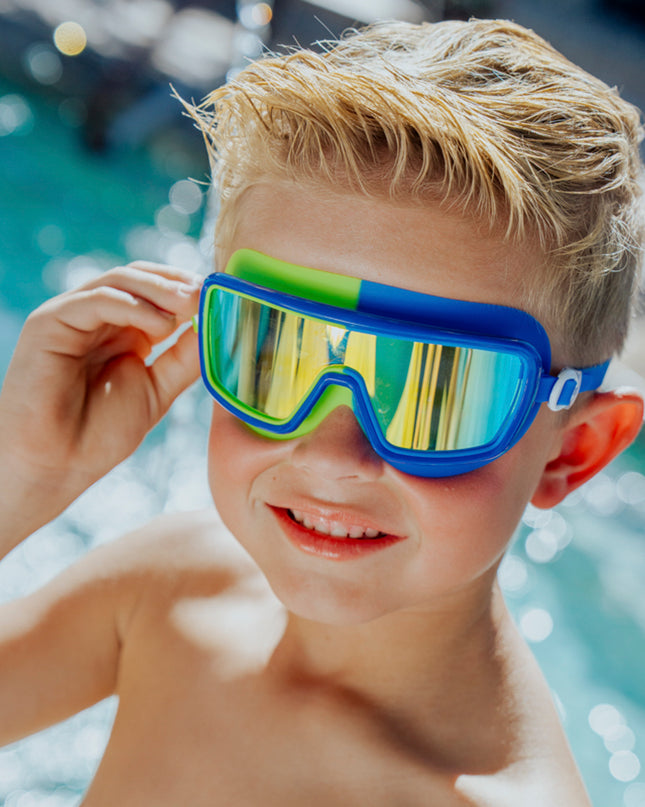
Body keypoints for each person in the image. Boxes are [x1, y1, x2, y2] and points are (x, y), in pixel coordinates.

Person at [0, 17, 643, 806]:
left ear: (571, 450)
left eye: (433, 391)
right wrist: (24, 477)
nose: (333, 452)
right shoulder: (173, 588)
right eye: (278, 353)